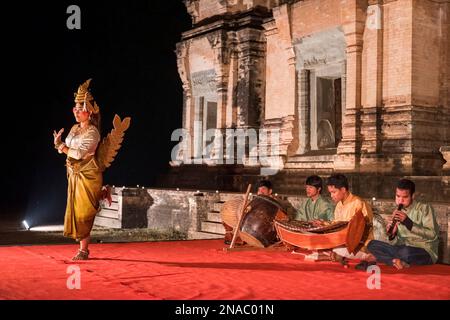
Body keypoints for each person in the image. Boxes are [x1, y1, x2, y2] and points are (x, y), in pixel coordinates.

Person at [53, 79, 130, 260]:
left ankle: (84, 250)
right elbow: (69, 152)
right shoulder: (74, 128)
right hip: (73, 174)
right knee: (76, 209)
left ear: (90, 112)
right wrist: (59, 144)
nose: (77, 112)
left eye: (81, 109)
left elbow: (78, 153)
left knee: (83, 213)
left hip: (88, 175)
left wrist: (63, 148)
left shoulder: (93, 132)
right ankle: (102, 193)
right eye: (75, 108)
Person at [367, 179, 439, 270]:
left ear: (412, 196)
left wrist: (409, 223)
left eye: (405, 197)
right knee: (372, 244)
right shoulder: (397, 212)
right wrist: (393, 234)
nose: (400, 200)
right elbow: (397, 242)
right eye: (398, 196)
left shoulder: (424, 208)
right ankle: (394, 261)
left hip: (425, 251)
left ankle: (388, 258)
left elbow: (433, 234)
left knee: (405, 252)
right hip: (403, 249)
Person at [326, 174, 376, 269]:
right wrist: (324, 224)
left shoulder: (358, 203)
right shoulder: (339, 205)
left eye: (334, 192)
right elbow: (336, 225)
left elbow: (365, 229)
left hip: (361, 245)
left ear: (343, 190)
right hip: (344, 242)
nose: (331, 196)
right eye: (330, 193)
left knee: (338, 250)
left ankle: (369, 257)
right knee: (326, 243)